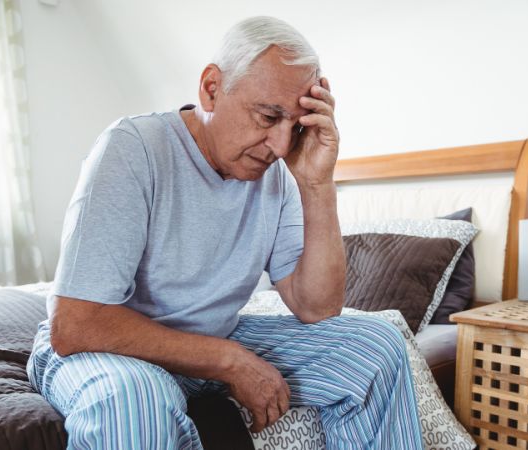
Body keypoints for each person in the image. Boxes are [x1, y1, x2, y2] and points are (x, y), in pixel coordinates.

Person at [27, 16, 423, 450]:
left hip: (215, 332)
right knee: (133, 402)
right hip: (108, 348)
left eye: (295, 127)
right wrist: (229, 361)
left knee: (377, 345)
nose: (278, 144)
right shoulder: (133, 147)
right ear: (211, 88)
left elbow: (318, 308)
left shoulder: (278, 170)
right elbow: (76, 324)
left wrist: (317, 183)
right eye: (268, 116)